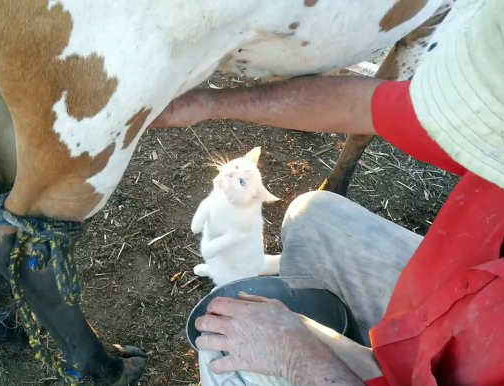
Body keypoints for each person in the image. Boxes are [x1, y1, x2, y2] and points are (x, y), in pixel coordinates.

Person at [152, 0, 504, 385]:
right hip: (448, 296)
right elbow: (362, 107)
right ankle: (333, 325)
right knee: (312, 216)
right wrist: (208, 103)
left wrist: (299, 356)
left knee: (225, 351)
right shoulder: (491, 131)